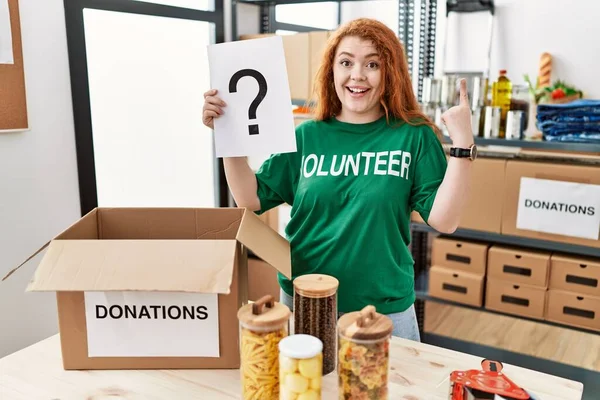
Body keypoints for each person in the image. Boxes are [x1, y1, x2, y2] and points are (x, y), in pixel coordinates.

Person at [202, 18, 475, 341]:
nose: (357, 74)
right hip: (306, 298)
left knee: (390, 393)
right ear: (332, 70)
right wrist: (229, 136)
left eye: (372, 64)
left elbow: (445, 220)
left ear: (390, 73)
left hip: (383, 309)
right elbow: (250, 199)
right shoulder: (307, 136)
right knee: (306, 390)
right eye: (346, 62)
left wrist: (462, 144)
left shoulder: (413, 137)